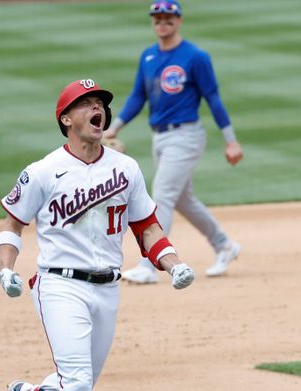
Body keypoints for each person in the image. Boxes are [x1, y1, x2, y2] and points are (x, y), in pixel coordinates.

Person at [0, 78, 195, 391]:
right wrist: (6, 268)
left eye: (100, 103)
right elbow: (12, 224)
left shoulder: (125, 168)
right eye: (85, 104)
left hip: (107, 289)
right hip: (59, 285)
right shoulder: (44, 170)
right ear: (67, 119)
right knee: (79, 382)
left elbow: (147, 227)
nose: (97, 109)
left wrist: (173, 262)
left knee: (76, 382)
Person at [104, 0, 244, 284]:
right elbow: (137, 97)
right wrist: (113, 128)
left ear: (179, 21)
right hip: (160, 137)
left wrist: (231, 141)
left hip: (186, 136)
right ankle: (224, 245)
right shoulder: (148, 56)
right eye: (157, 18)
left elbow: (213, 98)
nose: (162, 22)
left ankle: (148, 264)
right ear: (153, 22)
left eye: (168, 17)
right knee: (183, 200)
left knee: (163, 196)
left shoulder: (195, 57)